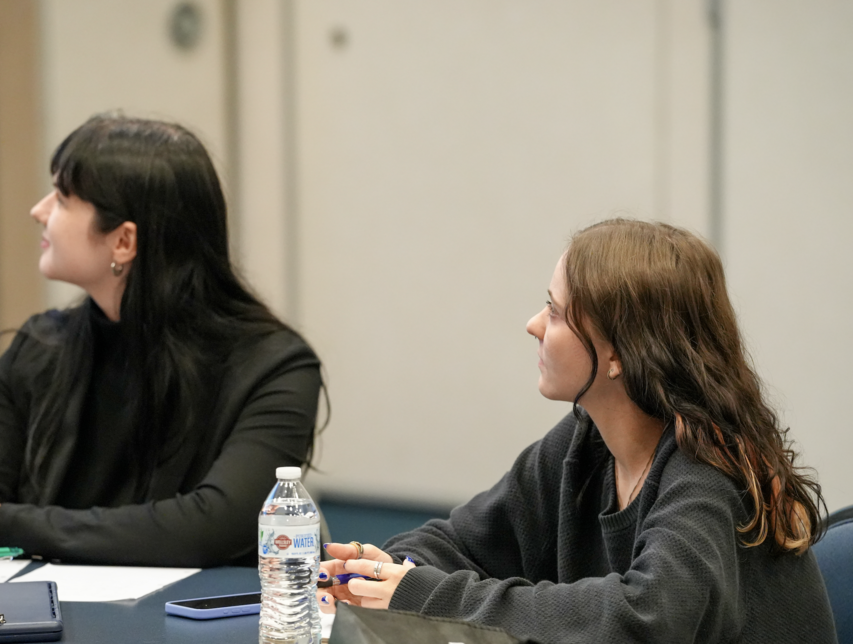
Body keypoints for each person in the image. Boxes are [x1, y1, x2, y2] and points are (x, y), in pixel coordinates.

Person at [317, 219, 837, 643]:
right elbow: (461, 543)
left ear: (617, 354)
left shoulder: (705, 473)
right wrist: (391, 568)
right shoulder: (583, 444)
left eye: (557, 312)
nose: (534, 324)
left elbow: (647, 619)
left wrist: (424, 593)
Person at [0, 115, 323, 586]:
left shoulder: (274, 365)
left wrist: (4, 521)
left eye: (64, 199)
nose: (39, 210)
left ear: (124, 240)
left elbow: (213, 526)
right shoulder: (39, 347)